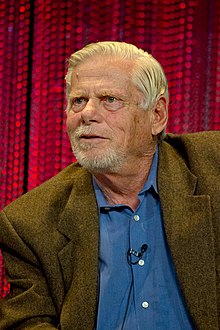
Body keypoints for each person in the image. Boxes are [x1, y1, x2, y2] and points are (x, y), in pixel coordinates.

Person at [0, 41, 219, 330]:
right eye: (78, 101)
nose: (87, 114)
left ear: (157, 115)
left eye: (110, 99)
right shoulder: (29, 222)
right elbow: (26, 323)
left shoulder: (213, 168)